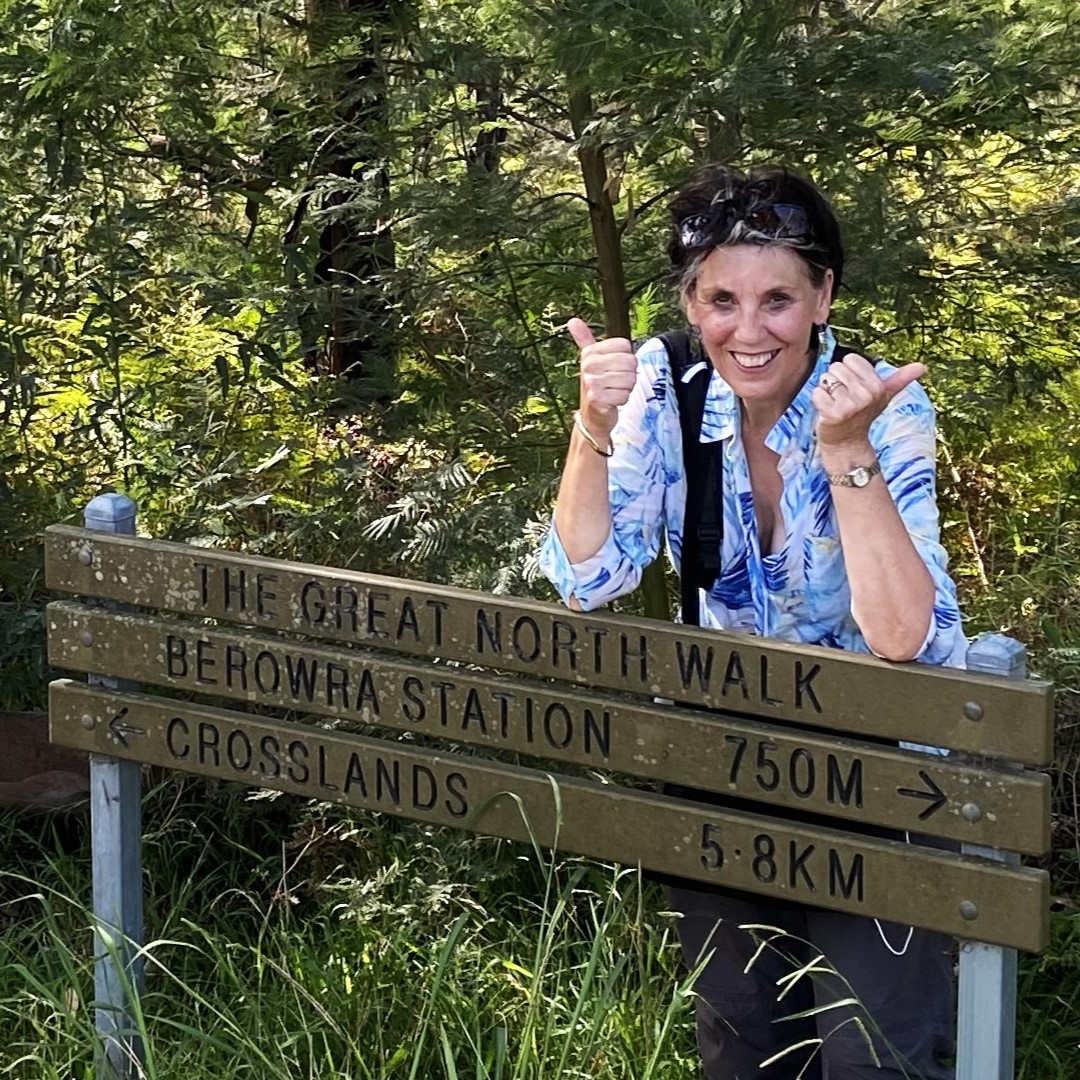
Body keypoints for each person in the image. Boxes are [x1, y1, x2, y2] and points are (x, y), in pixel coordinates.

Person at [538, 164, 965, 1079]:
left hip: (875, 780)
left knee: (870, 1057)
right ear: (691, 305)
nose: (749, 329)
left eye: (778, 299)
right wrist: (593, 425)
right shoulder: (669, 385)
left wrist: (845, 452)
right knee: (744, 1052)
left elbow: (904, 638)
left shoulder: (881, 405)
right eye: (721, 300)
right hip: (729, 761)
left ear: (823, 297)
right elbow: (588, 579)